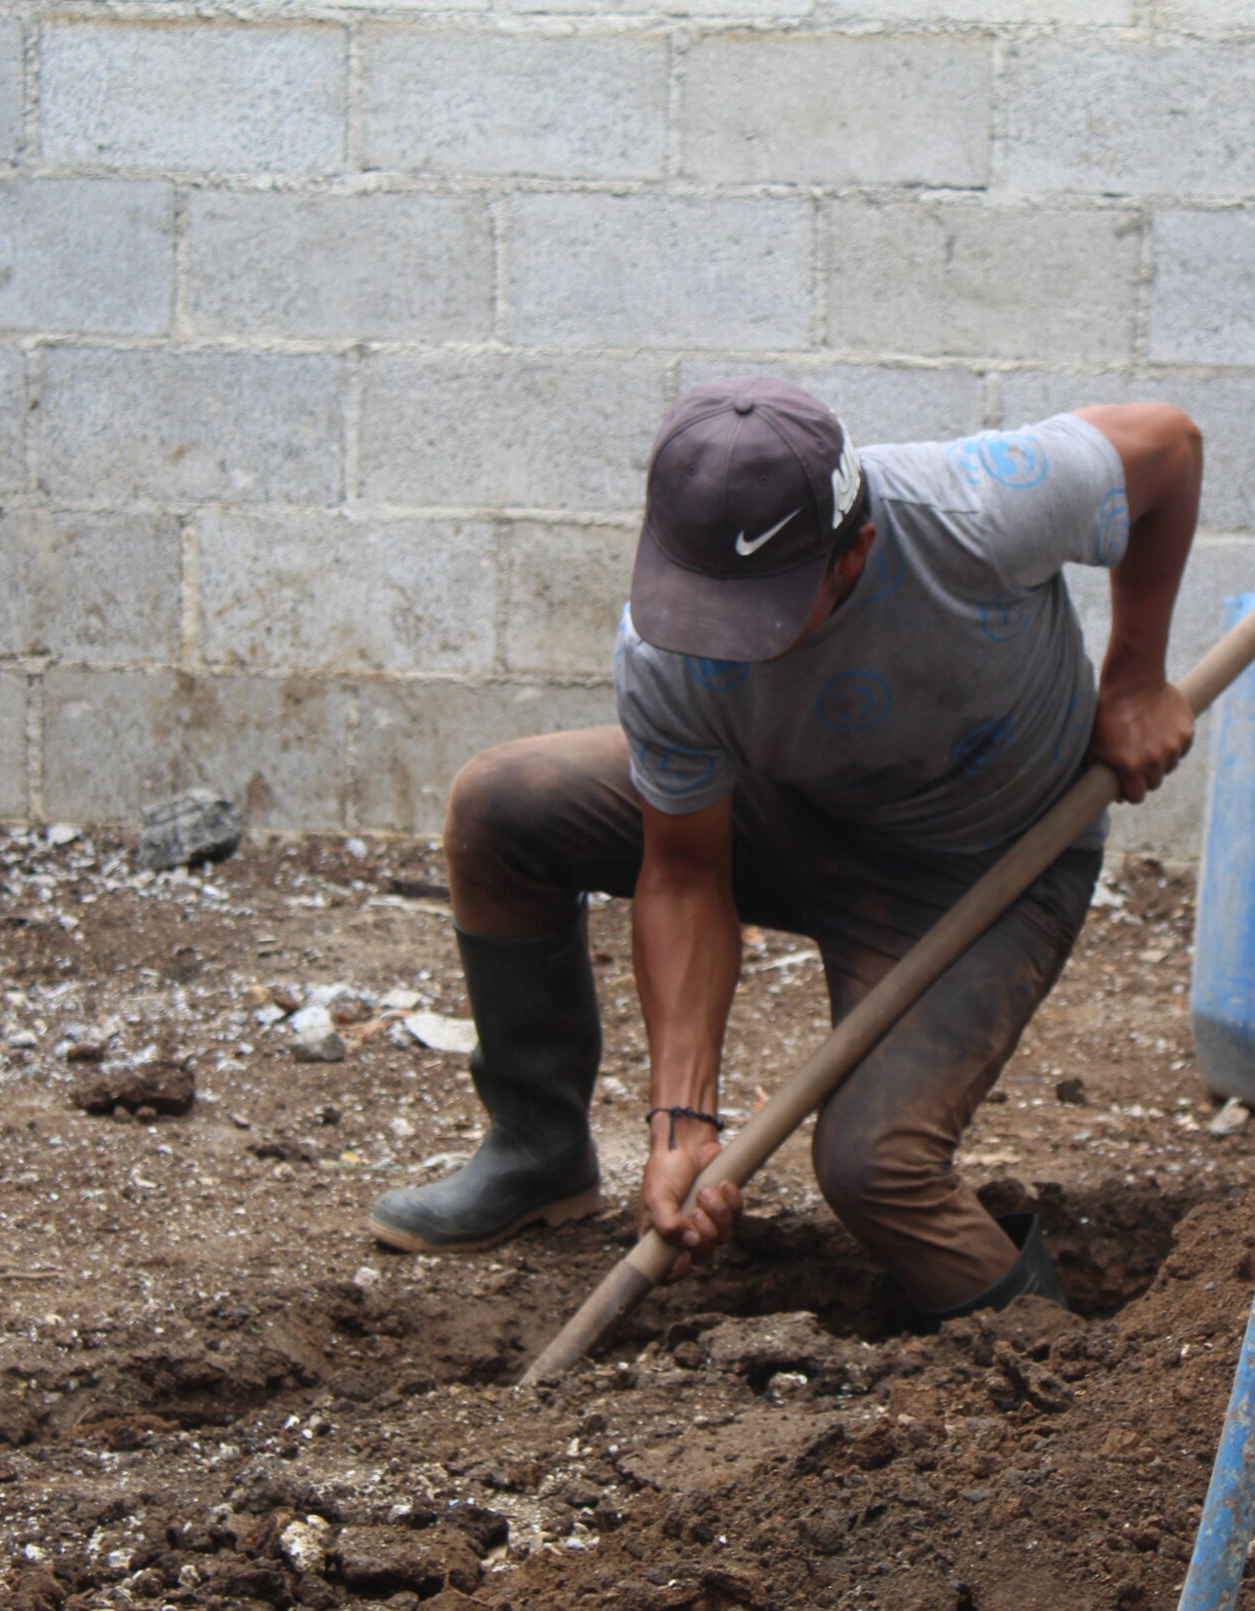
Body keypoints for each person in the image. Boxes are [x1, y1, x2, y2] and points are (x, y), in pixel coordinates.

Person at [370, 377, 1201, 1322]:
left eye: (754, 615)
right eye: (700, 606)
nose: (717, 645)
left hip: (986, 861)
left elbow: (1169, 446)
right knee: (503, 804)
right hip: (792, 809)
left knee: (874, 1165)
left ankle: (1063, 1369)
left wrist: (1136, 675)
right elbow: (683, 873)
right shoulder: (664, 647)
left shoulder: (981, 507)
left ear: (856, 554)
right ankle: (537, 1153)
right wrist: (682, 1120)